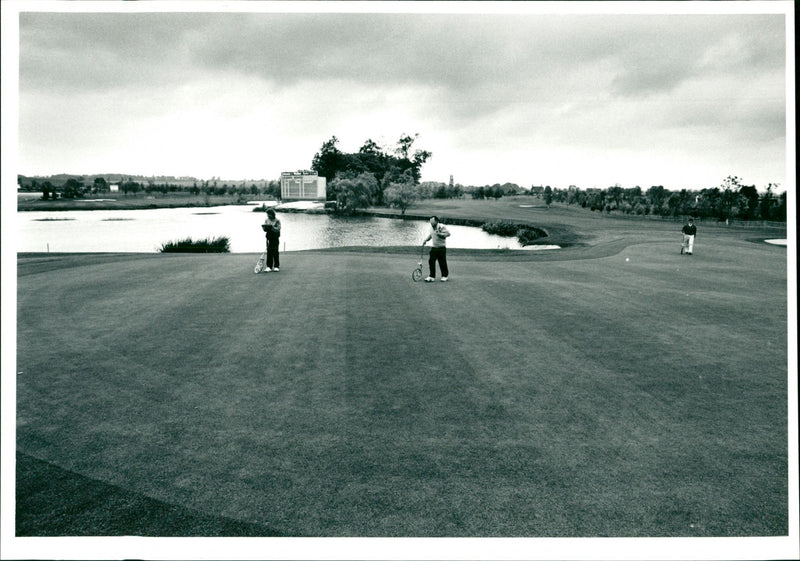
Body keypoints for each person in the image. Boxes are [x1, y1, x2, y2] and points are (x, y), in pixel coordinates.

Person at [422, 215, 451, 282]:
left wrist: (440, 234)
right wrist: (426, 240)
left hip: (441, 248)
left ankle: (445, 276)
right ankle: (432, 276)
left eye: (432, 222)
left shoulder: (441, 226)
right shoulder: (431, 228)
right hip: (434, 247)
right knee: (431, 261)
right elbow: (431, 235)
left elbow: (448, 234)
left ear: (437, 221)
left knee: (442, 262)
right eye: (430, 222)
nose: (431, 223)